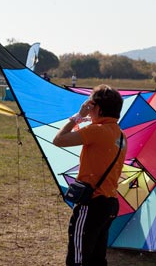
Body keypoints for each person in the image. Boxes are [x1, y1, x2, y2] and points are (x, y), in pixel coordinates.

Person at [53, 84, 126, 266]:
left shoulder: (97, 130)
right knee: (97, 258)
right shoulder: (121, 135)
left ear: (98, 108)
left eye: (90, 105)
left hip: (91, 203)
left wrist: (78, 117)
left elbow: (59, 140)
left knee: (78, 258)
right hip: (110, 203)